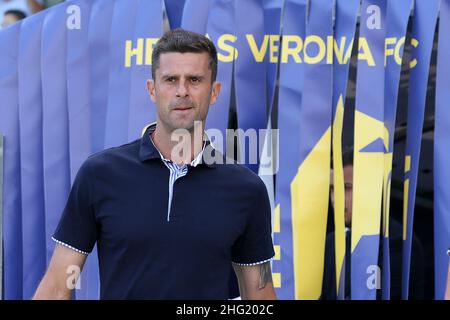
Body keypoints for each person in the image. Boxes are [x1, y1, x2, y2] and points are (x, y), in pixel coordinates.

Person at [33, 29, 276, 300]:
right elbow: (57, 288)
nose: (182, 91)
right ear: (152, 89)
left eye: (194, 80)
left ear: (214, 91)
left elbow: (260, 296)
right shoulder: (100, 174)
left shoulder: (246, 189)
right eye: (171, 80)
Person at [321, 147, 425, 299]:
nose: (336, 198)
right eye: (332, 188)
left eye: (346, 188)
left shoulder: (396, 243)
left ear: (370, 189)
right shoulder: (333, 242)